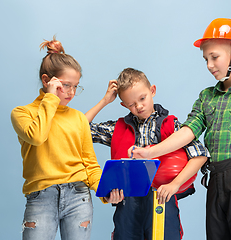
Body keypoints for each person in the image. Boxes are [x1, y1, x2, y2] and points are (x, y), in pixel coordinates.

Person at [130, 18, 231, 240]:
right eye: (206, 59)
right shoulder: (207, 97)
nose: (209, 65)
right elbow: (188, 131)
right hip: (216, 182)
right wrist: (151, 152)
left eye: (215, 57)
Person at [11, 37, 122, 240]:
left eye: (75, 86)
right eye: (65, 85)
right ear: (47, 81)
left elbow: (90, 164)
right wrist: (51, 98)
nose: (71, 93)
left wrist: (104, 190)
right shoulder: (22, 113)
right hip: (40, 197)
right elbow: (37, 136)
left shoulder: (78, 118)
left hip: (78, 196)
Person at [85, 67, 210, 240]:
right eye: (131, 104)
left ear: (152, 91)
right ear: (123, 105)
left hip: (162, 201)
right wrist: (105, 101)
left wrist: (175, 185)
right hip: (127, 204)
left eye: (142, 98)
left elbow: (200, 155)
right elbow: (79, 129)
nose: (139, 106)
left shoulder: (172, 126)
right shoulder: (117, 129)